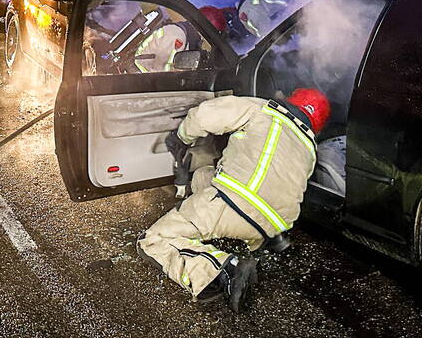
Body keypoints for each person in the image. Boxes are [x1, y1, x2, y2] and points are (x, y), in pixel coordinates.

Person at [137, 88, 330, 312]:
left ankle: (226, 269)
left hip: (232, 204)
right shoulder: (310, 149)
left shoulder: (262, 109)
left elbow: (203, 116)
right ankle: (255, 245)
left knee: (152, 241)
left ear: (291, 99)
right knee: (203, 176)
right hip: (270, 228)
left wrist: (181, 137)